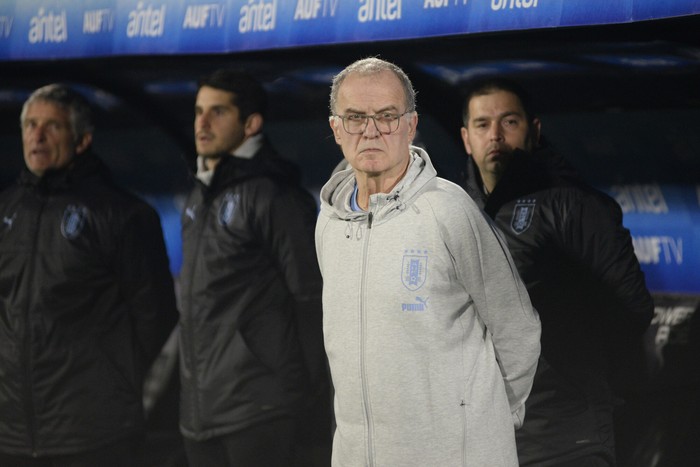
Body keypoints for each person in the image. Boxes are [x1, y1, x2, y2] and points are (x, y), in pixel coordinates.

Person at [315, 57, 541, 466]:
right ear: (335, 128)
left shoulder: (449, 210)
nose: (371, 130)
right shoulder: (328, 222)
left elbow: (518, 329)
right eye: (354, 117)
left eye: (386, 116)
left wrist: (484, 422)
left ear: (410, 125)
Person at [459, 77, 654, 466]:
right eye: (483, 125)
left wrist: (581, 375)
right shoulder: (458, 213)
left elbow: (632, 308)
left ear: (534, 130)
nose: (495, 135)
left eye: (509, 121)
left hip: (567, 433)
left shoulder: (574, 205)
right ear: (466, 139)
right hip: (488, 434)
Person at [0, 84, 178, 466]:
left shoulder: (123, 215)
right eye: (30, 124)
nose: (38, 135)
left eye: (52, 126)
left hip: (93, 433)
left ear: (82, 140)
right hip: (10, 432)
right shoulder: (6, 211)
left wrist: (109, 380)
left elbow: (156, 314)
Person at [178, 69, 331, 467]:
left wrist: (298, 390)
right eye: (198, 111)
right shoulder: (198, 194)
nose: (202, 123)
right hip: (200, 411)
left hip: (261, 407)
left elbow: (310, 298)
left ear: (252, 123)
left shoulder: (274, 194)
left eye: (217, 112)